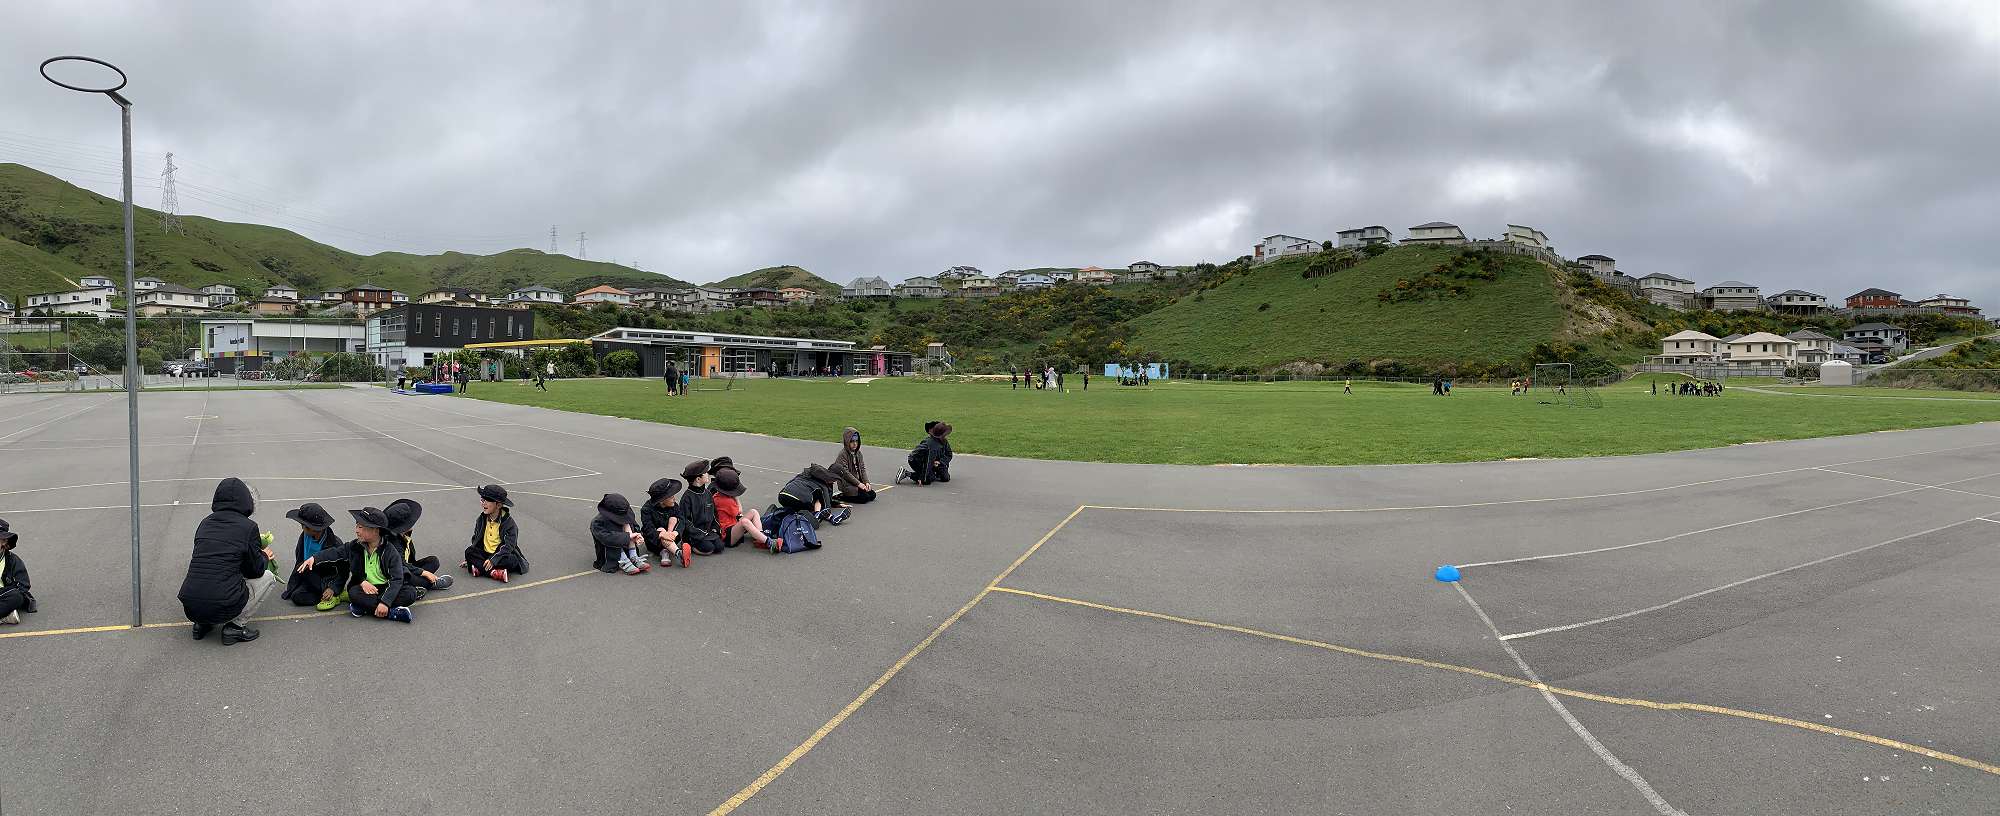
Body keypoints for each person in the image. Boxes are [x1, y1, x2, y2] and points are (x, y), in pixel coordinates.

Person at [177, 478, 278, 645]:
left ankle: (202, 624)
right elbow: (255, 570)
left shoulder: (205, 523)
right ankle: (236, 627)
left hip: (190, 606)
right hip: (223, 605)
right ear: (247, 501)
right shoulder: (248, 527)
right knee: (268, 577)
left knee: (211, 573)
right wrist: (264, 555)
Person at [300, 507, 418, 623]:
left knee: (410, 593)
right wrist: (315, 558)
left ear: (375, 530)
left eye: (360, 527)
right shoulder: (355, 546)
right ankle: (392, 612)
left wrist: (385, 602)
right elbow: (336, 552)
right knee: (353, 593)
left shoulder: (390, 551)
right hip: (366, 588)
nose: (357, 530)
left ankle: (366, 608)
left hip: (386, 587)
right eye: (356, 526)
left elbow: (397, 579)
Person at [280, 503, 347, 611]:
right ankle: (322, 595)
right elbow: (299, 559)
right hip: (309, 576)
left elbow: (344, 571)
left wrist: (332, 588)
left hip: (325, 580)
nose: (302, 527)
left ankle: (335, 595)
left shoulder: (335, 543)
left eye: (303, 525)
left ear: (313, 529)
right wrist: (295, 583)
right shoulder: (304, 536)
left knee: (306, 578)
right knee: (296, 597)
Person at [385, 499, 453, 593]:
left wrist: (419, 571)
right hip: (397, 573)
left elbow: (408, 560)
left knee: (433, 561)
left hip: (406, 566)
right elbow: (400, 564)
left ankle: (417, 584)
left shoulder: (403, 534)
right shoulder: (392, 541)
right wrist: (423, 572)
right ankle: (430, 583)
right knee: (407, 576)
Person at [465, 484, 529, 583]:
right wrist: (469, 559)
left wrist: (493, 559)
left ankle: (480, 568)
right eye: (482, 500)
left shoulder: (509, 524)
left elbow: (508, 546)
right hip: (485, 553)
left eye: (487, 501)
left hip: (501, 555)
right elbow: (476, 538)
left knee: (512, 561)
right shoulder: (481, 519)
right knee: (469, 552)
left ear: (498, 505)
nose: (483, 503)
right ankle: (494, 573)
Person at [711, 467, 774, 550]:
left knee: (753, 512)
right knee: (745, 522)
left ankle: (760, 536)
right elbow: (739, 511)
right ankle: (769, 542)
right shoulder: (726, 501)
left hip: (732, 525)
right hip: (727, 535)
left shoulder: (716, 496)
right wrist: (736, 497)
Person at [590, 493, 650, 575]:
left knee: (627, 524)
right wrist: (628, 536)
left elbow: (635, 526)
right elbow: (606, 538)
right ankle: (623, 560)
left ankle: (633, 556)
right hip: (610, 554)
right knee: (614, 535)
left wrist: (638, 536)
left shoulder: (625, 514)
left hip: (627, 547)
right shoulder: (597, 523)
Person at [675, 460, 725, 556]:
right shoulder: (687, 498)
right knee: (708, 548)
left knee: (719, 547)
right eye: (705, 473)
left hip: (708, 532)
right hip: (694, 534)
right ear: (698, 479)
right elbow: (685, 521)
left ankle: (705, 542)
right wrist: (700, 533)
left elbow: (714, 514)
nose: (708, 474)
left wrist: (715, 528)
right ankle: (689, 545)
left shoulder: (708, 493)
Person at [641, 477, 688, 569]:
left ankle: (666, 552)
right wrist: (662, 534)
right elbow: (648, 529)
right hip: (655, 541)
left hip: (672, 536)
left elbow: (681, 520)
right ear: (662, 500)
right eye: (671, 497)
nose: (674, 499)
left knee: (673, 518)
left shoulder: (674, 506)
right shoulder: (646, 509)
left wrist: (674, 533)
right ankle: (678, 552)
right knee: (661, 529)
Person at [0, 519, 37, 626]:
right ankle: (5, 617)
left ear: (4, 541)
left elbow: (23, 585)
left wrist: (10, 590)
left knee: (16, 596)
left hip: (3, 594)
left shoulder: (12, 560)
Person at [828, 427, 875, 505]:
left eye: (856, 441)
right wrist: (859, 484)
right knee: (864, 498)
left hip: (857, 482)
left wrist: (866, 482)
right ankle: (841, 496)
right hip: (847, 484)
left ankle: (856, 492)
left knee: (872, 495)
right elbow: (846, 474)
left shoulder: (858, 453)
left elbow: (862, 469)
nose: (855, 444)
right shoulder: (843, 455)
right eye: (852, 441)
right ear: (847, 442)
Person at [898, 421, 953, 485]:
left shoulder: (944, 441)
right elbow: (928, 462)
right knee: (927, 480)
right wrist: (922, 478)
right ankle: (906, 473)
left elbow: (949, 454)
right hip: (916, 460)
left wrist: (940, 462)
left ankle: (931, 473)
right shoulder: (931, 445)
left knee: (945, 478)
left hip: (933, 461)